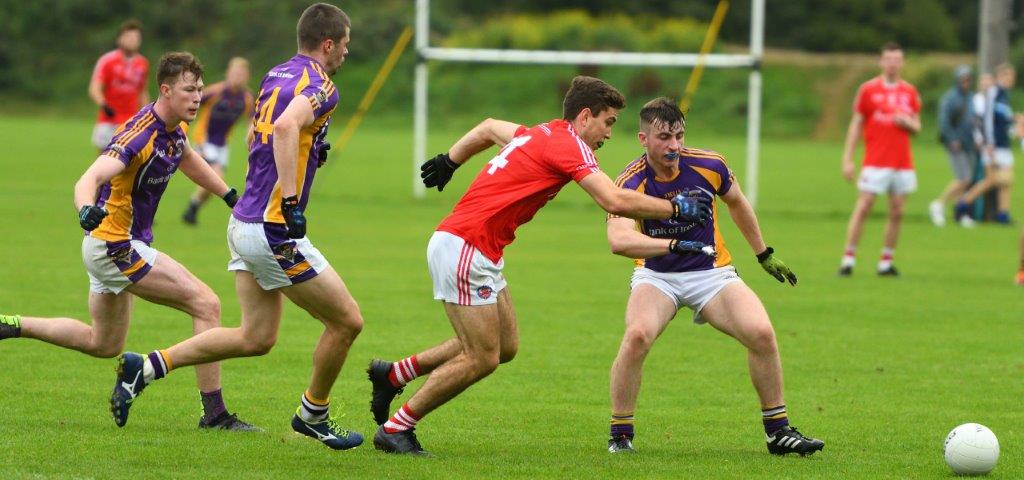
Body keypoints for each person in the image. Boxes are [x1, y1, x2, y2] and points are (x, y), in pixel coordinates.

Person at [367, 76, 715, 455]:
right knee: (482, 356)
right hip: (466, 246)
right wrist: (676, 207)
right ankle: (397, 428)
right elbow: (613, 200)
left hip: (478, 249)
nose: (610, 133)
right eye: (609, 122)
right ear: (585, 117)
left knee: (505, 346)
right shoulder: (569, 145)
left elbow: (487, 127)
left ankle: (394, 373)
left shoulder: (539, 133)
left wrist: (450, 160)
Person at [109, 3, 363, 451]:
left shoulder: (277, 73)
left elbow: (256, 135)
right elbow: (284, 128)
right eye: (344, 43)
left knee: (256, 337)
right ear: (328, 44)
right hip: (272, 229)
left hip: (242, 221)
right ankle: (314, 414)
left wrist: (308, 150)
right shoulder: (322, 86)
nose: (347, 51)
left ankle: (146, 367)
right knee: (346, 322)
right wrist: (288, 196)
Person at [0, 52, 256, 431]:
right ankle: (215, 414)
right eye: (189, 90)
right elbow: (88, 179)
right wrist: (85, 208)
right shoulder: (140, 134)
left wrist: (229, 195)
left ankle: (12, 324)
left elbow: (188, 159)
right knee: (206, 304)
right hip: (116, 245)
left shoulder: (173, 130)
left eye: (200, 89)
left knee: (103, 343)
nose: (197, 97)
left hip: (107, 247)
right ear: (165, 90)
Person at [603, 97, 824, 456]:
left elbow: (737, 202)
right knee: (638, 336)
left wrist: (763, 253)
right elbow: (619, 240)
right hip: (657, 275)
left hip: (711, 272)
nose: (674, 145)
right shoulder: (631, 181)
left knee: (761, 332)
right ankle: (621, 433)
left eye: (679, 135)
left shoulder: (710, 164)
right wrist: (672, 245)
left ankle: (778, 432)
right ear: (643, 139)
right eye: (664, 137)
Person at [839, 42, 921, 277]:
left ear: (902, 62)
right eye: (889, 59)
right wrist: (848, 158)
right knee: (864, 206)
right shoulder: (868, 90)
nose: (893, 64)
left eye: (897, 59)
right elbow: (856, 125)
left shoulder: (909, 92)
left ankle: (886, 261)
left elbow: (917, 126)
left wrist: (908, 123)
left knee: (897, 211)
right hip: (875, 160)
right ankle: (848, 259)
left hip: (902, 162)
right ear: (881, 62)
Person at [182, 57, 255, 225]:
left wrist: (251, 139)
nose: (238, 77)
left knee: (213, 182)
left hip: (222, 145)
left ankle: (193, 208)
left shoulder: (247, 98)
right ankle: (192, 208)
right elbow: (190, 103)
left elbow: (251, 122)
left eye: (242, 74)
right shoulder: (215, 92)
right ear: (228, 73)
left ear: (247, 77)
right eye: (235, 72)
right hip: (203, 139)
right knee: (216, 176)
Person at [955, 64, 1016, 226]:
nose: (1011, 80)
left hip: (1004, 144)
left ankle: (1003, 215)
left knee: (1007, 181)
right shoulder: (994, 93)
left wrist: (1014, 120)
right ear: (1001, 77)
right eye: (1009, 77)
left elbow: (1002, 120)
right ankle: (963, 203)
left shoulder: (1004, 95)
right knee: (991, 180)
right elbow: (988, 120)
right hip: (994, 145)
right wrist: (989, 143)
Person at [89, 20, 149, 152]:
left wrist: (147, 113)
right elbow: (95, 88)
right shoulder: (107, 61)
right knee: (103, 161)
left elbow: (142, 92)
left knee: (127, 162)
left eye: (136, 38)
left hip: (131, 121)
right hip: (109, 119)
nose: (132, 41)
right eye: (128, 37)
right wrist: (103, 105)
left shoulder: (142, 64)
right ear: (120, 39)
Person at [929, 65, 977, 227]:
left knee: (966, 180)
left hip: (969, 143)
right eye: (963, 79)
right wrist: (952, 139)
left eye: (968, 78)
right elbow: (944, 122)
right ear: (957, 80)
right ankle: (939, 204)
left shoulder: (971, 97)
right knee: (963, 178)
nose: (966, 82)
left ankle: (960, 212)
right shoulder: (949, 98)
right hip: (956, 144)